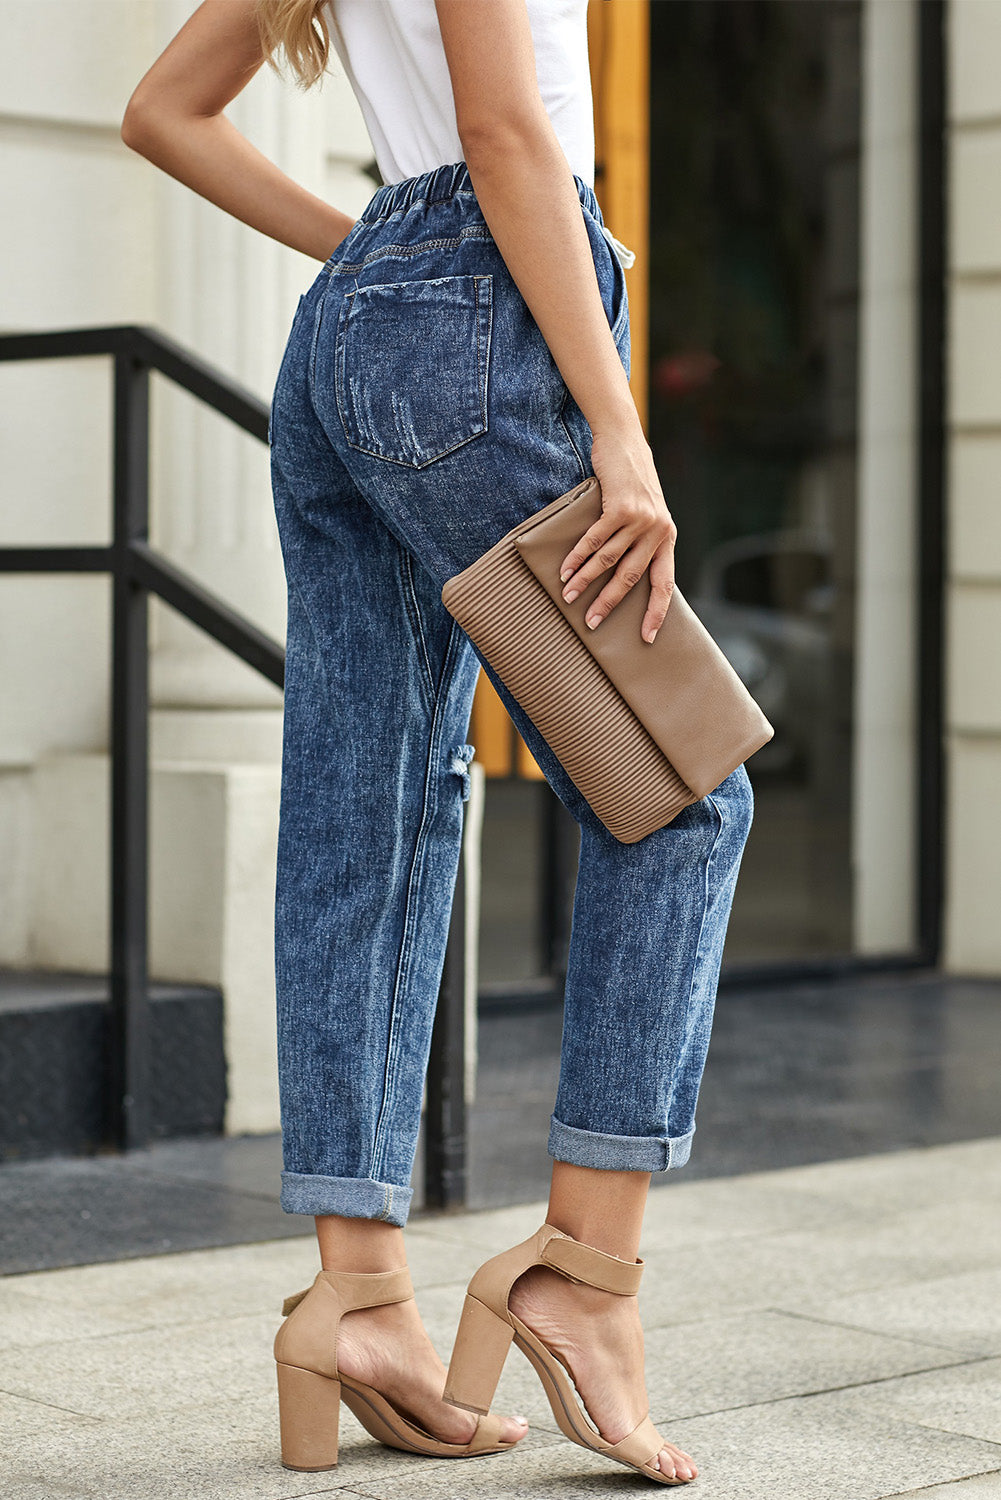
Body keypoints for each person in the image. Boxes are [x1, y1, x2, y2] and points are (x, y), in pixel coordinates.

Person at [122, 0, 755, 1485]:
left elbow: (165, 111)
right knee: (682, 785)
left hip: (354, 348)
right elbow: (501, 132)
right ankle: (580, 1283)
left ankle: (359, 1300)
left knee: (373, 811)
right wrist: (618, 422)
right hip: (481, 313)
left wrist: (365, 256)